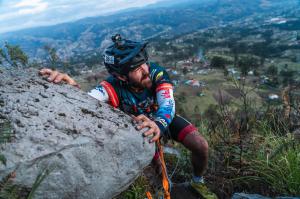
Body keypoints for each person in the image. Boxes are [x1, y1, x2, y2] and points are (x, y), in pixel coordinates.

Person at [39, 34, 217, 199]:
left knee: (201, 145)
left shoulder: (156, 73)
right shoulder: (110, 86)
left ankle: (197, 181)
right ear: (121, 76)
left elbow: (168, 104)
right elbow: (87, 101)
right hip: (141, 128)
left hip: (162, 119)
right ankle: (165, 189)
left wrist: (159, 123)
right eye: (137, 69)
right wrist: (71, 87)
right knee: (157, 166)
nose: (145, 70)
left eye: (144, 63)